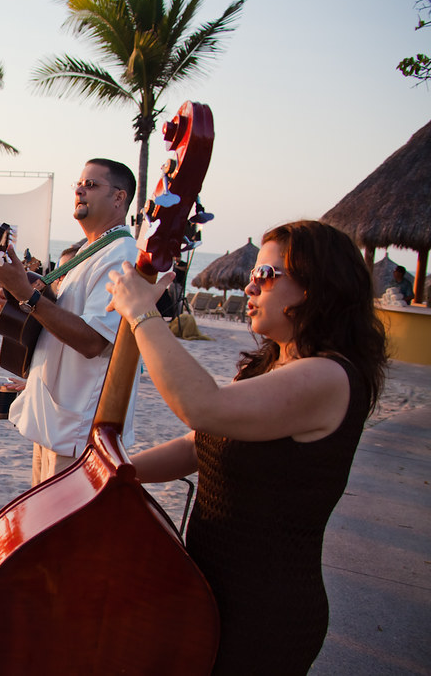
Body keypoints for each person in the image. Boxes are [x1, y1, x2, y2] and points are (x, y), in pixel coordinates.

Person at [105, 220, 387, 675]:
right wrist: (119, 474)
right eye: (253, 273)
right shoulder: (270, 366)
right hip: (210, 592)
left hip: (264, 612)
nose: (251, 284)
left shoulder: (328, 377)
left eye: (267, 275)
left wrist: (142, 313)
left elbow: (201, 407)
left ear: (314, 289)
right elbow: (200, 443)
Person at [0, 158, 139, 487]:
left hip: (77, 432)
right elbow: (58, 328)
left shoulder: (121, 255)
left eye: (92, 184)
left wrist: (26, 292)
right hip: (53, 420)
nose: (80, 189)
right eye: (79, 184)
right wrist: (18, 295)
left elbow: (93, 340)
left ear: (119, 198)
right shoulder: (89, 251)